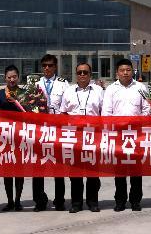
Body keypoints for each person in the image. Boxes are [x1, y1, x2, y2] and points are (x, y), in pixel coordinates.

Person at [101, 57, 151, 212]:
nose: (125, 73)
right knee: (120, 170)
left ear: (132, 71)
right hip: (118, 135)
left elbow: (147, 110)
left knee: (136, 170)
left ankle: (136, 200)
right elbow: (106, 112)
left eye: (128, 70)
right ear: (117, 73)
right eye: (122, 70)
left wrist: (139, 125)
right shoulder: (110, 89)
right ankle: (120, 201)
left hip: (136, 135)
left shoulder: (141, 87)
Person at [59, 61, 104, 213]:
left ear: (90, 74)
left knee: (93, 171)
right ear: (76, 75)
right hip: (75, 135)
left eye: (85, 72)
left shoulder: (99, 91)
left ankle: (92, 202)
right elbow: (63, 113)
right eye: (80, 72)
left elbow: (104, 113)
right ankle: (76, 203)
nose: (83, 75)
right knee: (75, 172)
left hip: (93, 135)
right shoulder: (69, 91)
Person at [32, 53, 69, 212]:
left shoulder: (63, 84)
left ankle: (59, 200)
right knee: (37, 167)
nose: (47, 68)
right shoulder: (34, 83)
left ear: (55, 67)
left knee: (58, 167)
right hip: (39, 130)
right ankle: (39, 200)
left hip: (57, 129)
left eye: (50, 65)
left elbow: (67, 105)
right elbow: (28, 106)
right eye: (44, 65)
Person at [0, 64, 27, 212]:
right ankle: (10, 201)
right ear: (5, 78)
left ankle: (18, 201)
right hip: (4, 138)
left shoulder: (25, 94)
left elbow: (31, 113)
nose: (12, 79)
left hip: (21, 137)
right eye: (9, 77)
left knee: (19, 170)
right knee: (7, 171)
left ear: (18, 77)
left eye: (14, 77)